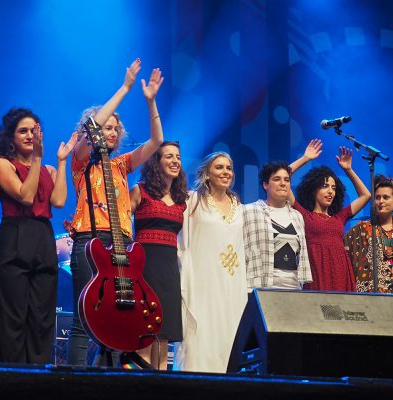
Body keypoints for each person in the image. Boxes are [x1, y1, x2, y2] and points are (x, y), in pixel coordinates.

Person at [67, 59, 164, 366]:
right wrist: (125, 88)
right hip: (89, 241)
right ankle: (75, 382)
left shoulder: (121, 164)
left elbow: (157, 142)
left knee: (120, 318)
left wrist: (150, 102)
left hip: (120, 244)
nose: (111, 131)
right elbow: (93, 126)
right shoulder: (81, 159)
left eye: (115, 128)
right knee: (85, 318)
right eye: (107, 127)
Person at [0, 108, 77, 363]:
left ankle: (37, 375)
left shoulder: (48, 168)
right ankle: (9, 375)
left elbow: (59, 201)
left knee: (41, 316)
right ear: (11, 136)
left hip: (42, 236)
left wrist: (61, 162)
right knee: (12, 315)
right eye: (23, 131)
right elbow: (25, 196)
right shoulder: (2, 163)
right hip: (15, 234)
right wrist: (36, 158)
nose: (30, 135)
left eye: (34, 130)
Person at [175, 152, 247, 373]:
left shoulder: (239, 205)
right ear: (206, 174)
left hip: (232, 284)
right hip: (203, 282)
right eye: (219, 167)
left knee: (230, 333)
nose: (226, 172)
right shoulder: (193, 201)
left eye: (229, 168)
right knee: (202, 337)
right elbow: (182, 242)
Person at [129, 141, 188, 370]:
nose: (175, 161)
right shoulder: (140, 191)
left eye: (178, 157)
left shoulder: (182, 199)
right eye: (169, 157)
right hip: (144, 268)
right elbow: (121, 224)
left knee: (164, 334)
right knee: (144, 331)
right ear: (157, 161)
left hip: (170, 271)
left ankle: (162, 383)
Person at [289, 146, 371, 291]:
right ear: (314, 189)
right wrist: (306, 158)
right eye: (325, 186)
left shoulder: (339, 217)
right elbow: (283, 177)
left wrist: (348, 170)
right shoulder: (304, 214)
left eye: (333, 188)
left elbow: (366, 195)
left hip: (341, 272)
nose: (330, 191)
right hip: (316, 273)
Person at [243, 161, 311, 290]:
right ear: (265, 185)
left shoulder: (297, 216)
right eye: (276, 179)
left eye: (286, 180)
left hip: (293, 287)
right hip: (261, 286)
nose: (283, 183)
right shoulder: (249, 211)